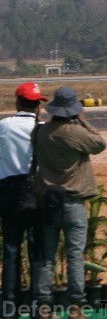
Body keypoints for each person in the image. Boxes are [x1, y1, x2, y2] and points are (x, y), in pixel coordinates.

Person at [34, 87, 107, 316]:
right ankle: (76, 304)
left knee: (47, 255)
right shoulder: (75, 133)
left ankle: (43, 305)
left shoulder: (40, 133)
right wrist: (83, 121)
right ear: (73, 110)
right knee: (75, 255)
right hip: (73, 201)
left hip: (48, 200)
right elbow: (100, 143)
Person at [0, 83, 46, 314]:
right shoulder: (42, 127)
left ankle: (9, 303)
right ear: (38, 105)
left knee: (10, 249)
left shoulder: (4, 126)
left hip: (8, 190)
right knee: (36, 250)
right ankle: (38, 303)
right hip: (35, 191)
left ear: (17, 102)